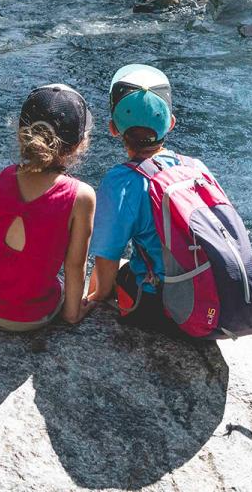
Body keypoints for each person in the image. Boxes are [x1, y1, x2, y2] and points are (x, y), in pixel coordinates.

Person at [0, 84, 97, 331]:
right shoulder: (81, 196)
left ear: (21, 134)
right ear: (78, 145)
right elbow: (75, 265)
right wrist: (72, 314)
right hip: (33, 317)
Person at [83, 63, 194, 335]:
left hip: (162, 306)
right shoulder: (194, 167)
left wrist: (98, 297)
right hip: (205, 294)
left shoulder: (122, 181)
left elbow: (107, 254)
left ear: (112, 128)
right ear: (171, 123)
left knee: (123, 273)